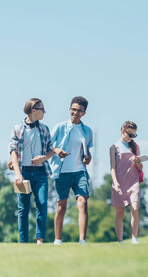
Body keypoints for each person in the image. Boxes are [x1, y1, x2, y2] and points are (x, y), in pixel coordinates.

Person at [9, 98, 54, 244]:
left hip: (40, 173)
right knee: (23, 208)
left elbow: (50, 150)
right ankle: (23, 242)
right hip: (24, 173)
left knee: (42, 203)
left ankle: (40, 240)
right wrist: (17, 174)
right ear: (34, 110)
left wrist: (43, 158)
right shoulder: (17, 129)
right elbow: (13, 152)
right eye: (42, 109)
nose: (45, 112)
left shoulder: (44, 129)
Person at [50, 96, 93, 245]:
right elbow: (48, 144)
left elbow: (86, 150)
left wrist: (88, 158)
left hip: (80, 171)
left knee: (82, 202)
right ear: (69, 109)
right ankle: (58, 239)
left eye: (79, 110)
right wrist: (56, 150)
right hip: (62, 172)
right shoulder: (60, 127)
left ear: (84, 113)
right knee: (61, 207)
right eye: (73, 109)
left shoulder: (87, 131)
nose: (75, 112)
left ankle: (82, 240)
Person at [110, 121, 142, 244]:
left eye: (134, 135)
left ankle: (134, 238)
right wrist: (115, 182)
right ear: (123, 131)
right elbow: (112, 167)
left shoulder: (135, 147)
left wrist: (138, 161)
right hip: (119, 182)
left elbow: (140, 167)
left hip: (133, 182)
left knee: (134, 208)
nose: (131, 137)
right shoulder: (114, 148)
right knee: (120, 213)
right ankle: (120, 241)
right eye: (130, 134)